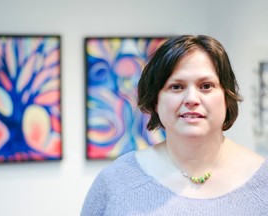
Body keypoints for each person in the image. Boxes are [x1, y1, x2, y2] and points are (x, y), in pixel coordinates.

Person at [81, 35, 268, 215]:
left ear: (227, 97)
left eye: (206, 86)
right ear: (156, 101)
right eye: (176, 87)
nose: (192, 99)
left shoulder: (263, 183)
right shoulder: (116, 182)